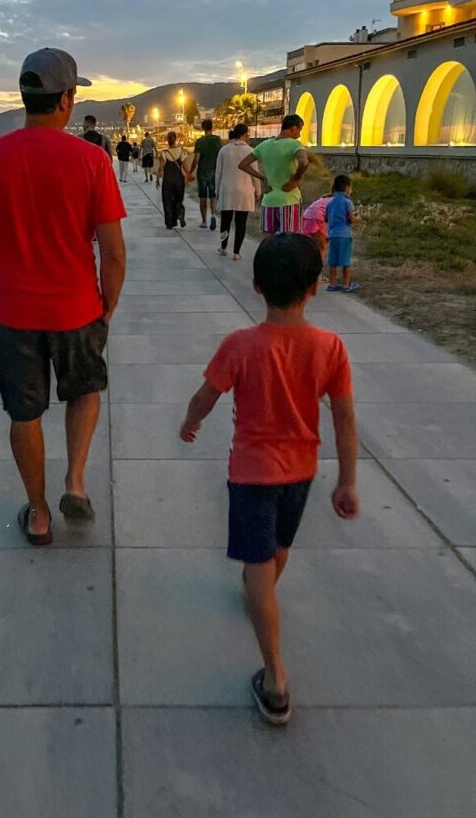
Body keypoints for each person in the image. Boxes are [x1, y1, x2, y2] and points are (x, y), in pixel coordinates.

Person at [179, 234, 359, 725]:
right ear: (315, 288)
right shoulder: (330, 347)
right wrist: (346, 480)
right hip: (300, 474)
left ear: (257, 286)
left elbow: (206, 396)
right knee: (278, 550)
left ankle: (275, 676)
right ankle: (261, 598)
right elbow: (344, 418)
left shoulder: (240, 345)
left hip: (252, 475)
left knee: (256, 567)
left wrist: (190, 421)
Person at [0, 48, 127, 546]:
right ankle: (74, 480)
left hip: (11, 313)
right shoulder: (92, 160)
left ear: (25, 96)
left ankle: (38, 513)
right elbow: (114, 252)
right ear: (66, 99)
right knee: (84, 392)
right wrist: (108, 305)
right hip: (77, 308)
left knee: (24, 414)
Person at [238, 114, 309, 234]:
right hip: (289, 201)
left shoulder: (264, 145)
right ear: (293, 128)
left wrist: (263, 178)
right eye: (299, 130)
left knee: (269, 240)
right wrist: (295, 180)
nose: (299, 135)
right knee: (289, 240)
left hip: (268, 201)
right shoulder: (295, 144)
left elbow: (243, 164)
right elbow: (304, 162)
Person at [215, 123, 260, 259]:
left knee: (225, 220)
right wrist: (258, 191)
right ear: (244, 134)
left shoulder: (224, 150)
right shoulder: (250, 151)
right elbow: (255, 173)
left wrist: (217, 191)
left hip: (227, 190)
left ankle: (223, 247)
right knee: (241, 222)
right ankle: (236, 252)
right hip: (244, 191)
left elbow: (218, 173)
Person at [326, 174, 359, 292]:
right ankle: (346, 285)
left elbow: (326, 218)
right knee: (345, 262)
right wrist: (357, 219)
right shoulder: (347, 202)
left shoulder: (330, 202)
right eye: (351, 188)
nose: (351, 190)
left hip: (332, 235)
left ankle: (332, 284)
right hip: (344, 235)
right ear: (346, 188)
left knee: (333, 262)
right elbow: (351, 219)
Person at [190, 118, 222, 230]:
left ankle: (204, 221)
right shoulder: (217, 140)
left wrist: (190, 171)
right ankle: (213, 215)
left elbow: (196, 159)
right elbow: (220, 155)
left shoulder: (200, 142)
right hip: (214, 172)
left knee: (202, 197)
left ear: (203, 128)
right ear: (212, 127)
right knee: (213, 196)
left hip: (202, 173)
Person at [157, 131, 191, 229]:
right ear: (175, 139)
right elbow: (185, 166)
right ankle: (180, 213)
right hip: (178, 180)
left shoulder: (164, 153)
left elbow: (161, 168)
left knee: (167, 201)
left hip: (168, 181)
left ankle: (170, 223)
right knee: (178, 200)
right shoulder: (181, 151)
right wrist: (189, 175)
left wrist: (157, 178)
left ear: (167, 140)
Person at [302, 189, 334, 262]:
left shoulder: (326, 198)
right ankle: (316, 266)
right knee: (321, 245)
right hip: (315, 218)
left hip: (308, 217)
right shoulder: (337, 201)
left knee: (315, 244)